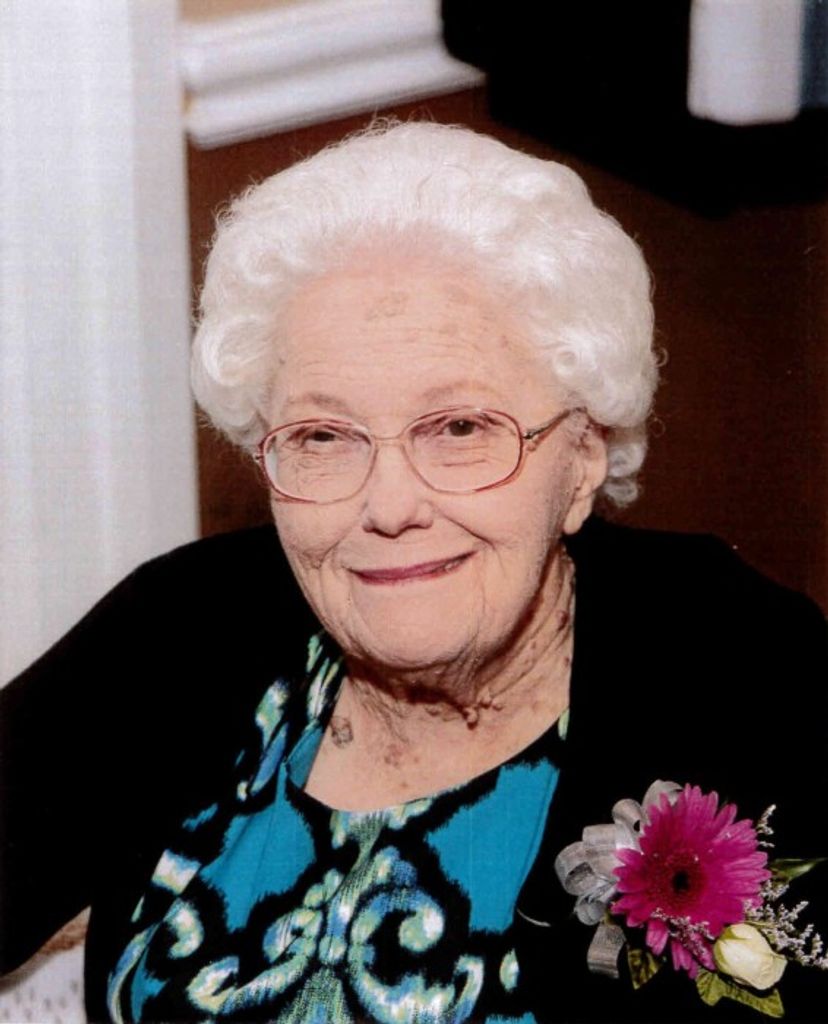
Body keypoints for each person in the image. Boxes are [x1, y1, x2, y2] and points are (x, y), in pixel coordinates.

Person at [1, 121, 825, 1024]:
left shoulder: (748, 673)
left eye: (461, 428)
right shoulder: (184, 621)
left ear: (583, 457)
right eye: (324, 436)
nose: (389, 506)